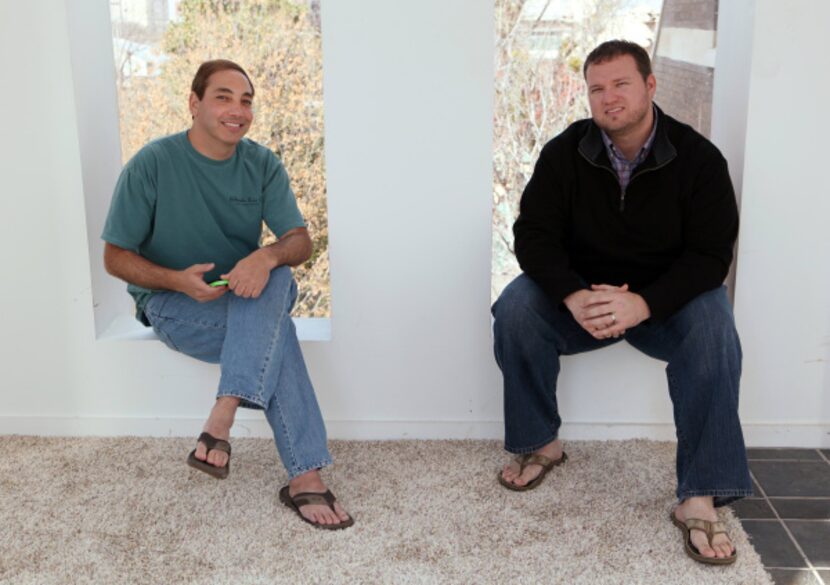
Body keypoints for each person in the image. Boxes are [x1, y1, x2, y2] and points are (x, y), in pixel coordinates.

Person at [491, 40, 750, 564]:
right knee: (515, 307)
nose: (609, 98)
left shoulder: (699, 159)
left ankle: (698, 493)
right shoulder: (564, 152)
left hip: (666, 307)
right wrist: (572, 293)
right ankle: (542, 441)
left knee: (715, 322)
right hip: (583, 303)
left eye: (621, 84)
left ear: (650, 86)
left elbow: (710, 255)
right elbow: (533, 234)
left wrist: (646, 304)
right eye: (597, 88)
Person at [102, 59, 352, 530]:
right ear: (195, 103)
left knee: (278, 274)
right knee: (279, 336)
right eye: (223, 97)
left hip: (244, 298)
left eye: (246, 101)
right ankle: (305, 476)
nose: (237, 110)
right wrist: (177, 280)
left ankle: (223, 413)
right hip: (177, 305)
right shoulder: (153, 164)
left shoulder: (261, 163)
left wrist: (264, 257)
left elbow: (300, 240)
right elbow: (115, 257)